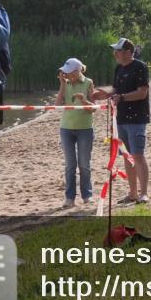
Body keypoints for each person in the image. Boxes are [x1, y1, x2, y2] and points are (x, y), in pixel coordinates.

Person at [92, 38, 150, 204]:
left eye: (118, 50)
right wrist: (103, 94)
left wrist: (121, 97)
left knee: (137, 155)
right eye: (115, 50)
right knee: (126, 156)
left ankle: (144, 193)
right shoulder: (118, 68)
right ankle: (132, 193)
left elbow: (142, 93)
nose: (115, 53)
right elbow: (116, 90)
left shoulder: (140, 67)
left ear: (128, 52)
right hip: (121, 119)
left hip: (137, 118)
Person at [55, 57, 97, 208]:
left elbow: (93, 108)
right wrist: (61, 85)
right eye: (65, 73)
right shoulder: (65, 84)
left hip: (85, 129)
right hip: (66, 128)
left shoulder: (88, 82)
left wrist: (84, 100)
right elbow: (57, 106)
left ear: (77, 71)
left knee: (84, 164)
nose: (66, 75)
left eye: (69, 73)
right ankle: (69, 198)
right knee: (70, 165)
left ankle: (87, 195)